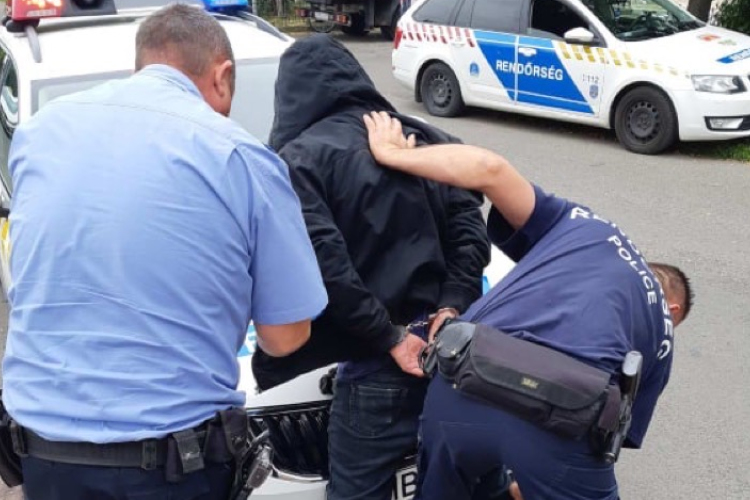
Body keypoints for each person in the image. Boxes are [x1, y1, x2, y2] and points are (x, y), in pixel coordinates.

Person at [1, 5, 327, 500]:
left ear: (142, 64)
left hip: (45, 458)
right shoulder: (240, 155)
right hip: (171, 468)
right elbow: (285, 337)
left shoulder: (40, 133)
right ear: (222, 76)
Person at [363, 111, 694, 500]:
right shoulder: (662, 330)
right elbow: (610, 439)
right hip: (558, 417)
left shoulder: (589, 229)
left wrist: (394, 155)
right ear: (673, 309)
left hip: (461, 381)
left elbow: (490, 169)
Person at [251, 35, 490, 500]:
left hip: (373, 371)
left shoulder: (297, 161)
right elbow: (470, 235)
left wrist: (390, 337)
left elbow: (326, 266)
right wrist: (452, 308)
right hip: (454, 356)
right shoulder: (425, 140)